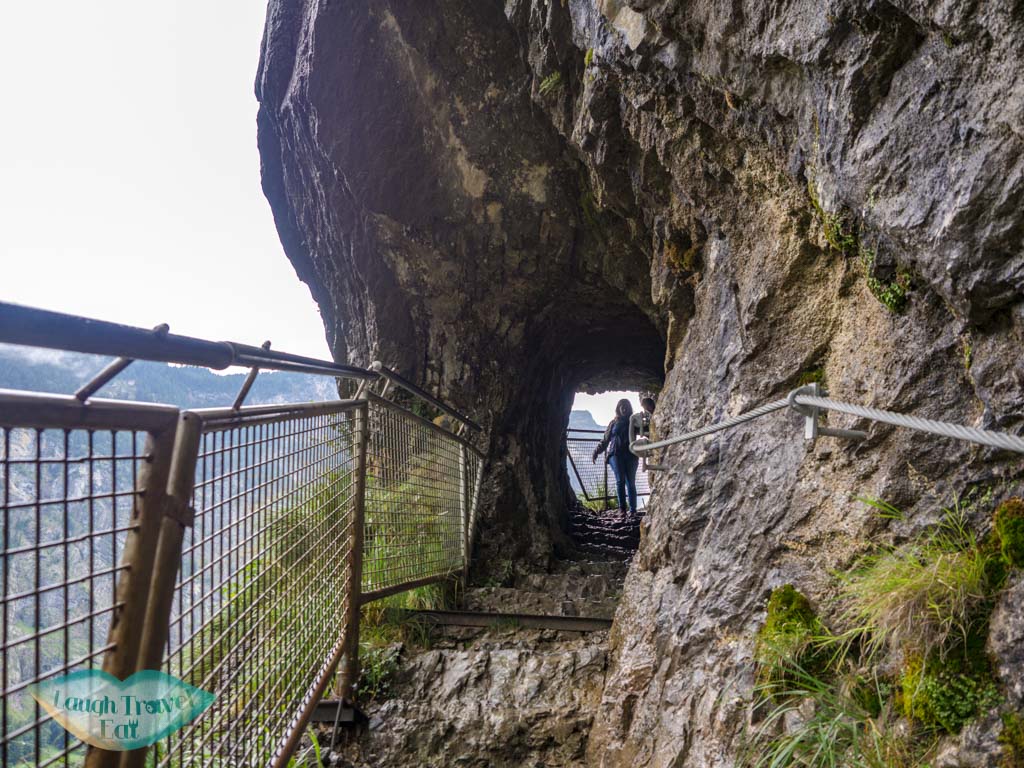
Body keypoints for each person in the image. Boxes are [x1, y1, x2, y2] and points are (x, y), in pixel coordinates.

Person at [591, 399, 639, 514]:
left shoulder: (634, 422)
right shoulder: (613, 423)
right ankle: (622, 510)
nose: (624, 408)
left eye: (626, 406)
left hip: (631, 455)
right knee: (620, 480)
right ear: (618, 408)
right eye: (621, 406)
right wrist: (596, 451)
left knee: (631, 483)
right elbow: (605, 440)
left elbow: (646, 430)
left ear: (629, 408)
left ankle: (633, 511)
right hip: (615, 454)